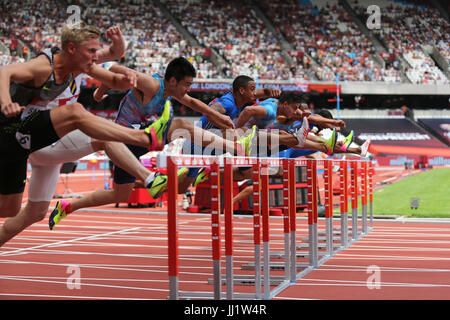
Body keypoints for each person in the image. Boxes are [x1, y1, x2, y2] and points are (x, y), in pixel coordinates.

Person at [0, 21, 183, 246]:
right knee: (86, 122)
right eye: (92, 51)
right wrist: (6, 102)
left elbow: (115, 67)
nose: (96, 57)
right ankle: (148, 161)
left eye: (97, 51)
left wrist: (126, 75)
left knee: (31, 211)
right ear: (71, 49)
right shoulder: (45, 66)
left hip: (51, 139)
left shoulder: (83, 64)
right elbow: (5, 71)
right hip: (30, 133)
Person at [47, 58, 260, 230]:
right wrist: (99, 92)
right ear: (174, 80)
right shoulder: (152, 84)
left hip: (141, 139)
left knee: (122, 193)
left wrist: (217, 116)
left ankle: (68, 206)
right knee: (180, 125)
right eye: (186, 84)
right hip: (121, 138)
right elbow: (114, 69)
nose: (188, 89)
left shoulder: (173, 91)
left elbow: (193, 102)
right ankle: (235, 147)